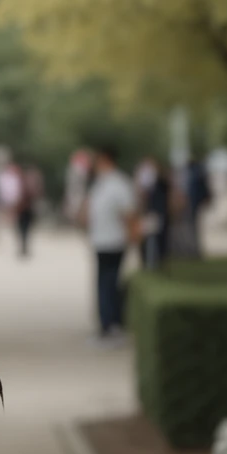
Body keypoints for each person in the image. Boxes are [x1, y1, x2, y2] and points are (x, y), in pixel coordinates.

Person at [85, 142, 137, 343]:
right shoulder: (101, 183)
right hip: (101, 241)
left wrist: (133, 236)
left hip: (114, 241)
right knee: (103, 284)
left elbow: (129, 213)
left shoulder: (119, 183)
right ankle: (106, 323)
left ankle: (112, 325)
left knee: (110, 284)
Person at [136, 155, 171, 270]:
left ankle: (158, 262)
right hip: (148, 214)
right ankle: (148, 263)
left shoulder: (161, 181)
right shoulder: (145, 180)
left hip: (158, 213)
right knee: (147, 241)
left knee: (159, 240)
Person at [14, 160, 44, 255]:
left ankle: (24, 247)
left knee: (25, 229)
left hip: (26, 208)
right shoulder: (22, 181)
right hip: (22, 208)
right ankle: (23, 247)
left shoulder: (24, 181)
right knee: (23, 229)